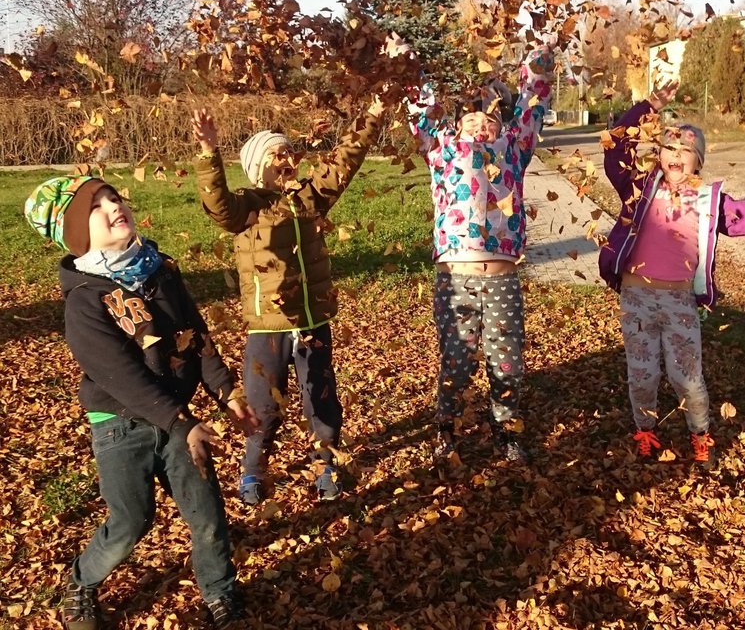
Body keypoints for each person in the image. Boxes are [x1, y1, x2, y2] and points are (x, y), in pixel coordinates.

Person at [24, 175, 258, 630]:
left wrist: (226, 390)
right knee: (131, 522)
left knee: (207, 513)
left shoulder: (161, 272)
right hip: (120, 424)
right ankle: (82, 581)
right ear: (75, 232)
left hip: (177, 417)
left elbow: (196, 335)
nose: (114, 205)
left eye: (114, 196)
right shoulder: (85, 300)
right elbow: (122, 378)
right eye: (97, 205)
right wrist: (180, 420)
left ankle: (220, 592)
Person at [191, 98, 384, 505]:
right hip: (268, 328)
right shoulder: (247, 208)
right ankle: (253, 470)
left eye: (288, 152)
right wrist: (209, 153)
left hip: (313, 323)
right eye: (274, 154)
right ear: (257, 166)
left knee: (322, 399)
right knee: (263, 406)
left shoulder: (309, 199)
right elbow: (218, 206)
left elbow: (343, 164)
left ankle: (326, 462)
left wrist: (374, 114)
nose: (286, 159)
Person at [600, 84, 745, 466]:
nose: (676, 155)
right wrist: (649, 107)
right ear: (658, 155)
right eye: (669, 148)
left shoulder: (709, 202)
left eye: (685, 150)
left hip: (679, 301)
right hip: (637, 297)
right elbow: (614, 147)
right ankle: (645, 432)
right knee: (641, 376)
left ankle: (699, 434)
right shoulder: (638, 188)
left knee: (687, 377)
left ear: (698, 161)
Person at [407, 47, 554, 463]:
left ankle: (505, 428)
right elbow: (421, 113)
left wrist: (538, 64)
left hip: (501, 277)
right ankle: (446, 430)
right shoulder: (442, 152)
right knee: (456, 360)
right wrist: (405, 63)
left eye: (490, 117)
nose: (481, 124)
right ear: (457, 123)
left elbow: (532, 107)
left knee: (506, 362)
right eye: (472, 116)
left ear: (501, 123)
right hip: (455, 278)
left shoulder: (513, 149)